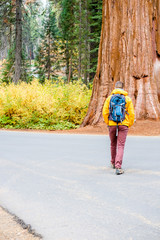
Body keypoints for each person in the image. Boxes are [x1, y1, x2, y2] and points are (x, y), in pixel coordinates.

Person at [102, 81, 135, 175]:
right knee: (120, 145)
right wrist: (129, 124)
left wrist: (108, 122)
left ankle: (112, 162)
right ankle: (118, 166)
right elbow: (131, 113)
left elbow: (105, 112)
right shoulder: (127, 98)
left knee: (113, 144)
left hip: (112, 123)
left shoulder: (109, 98)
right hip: (123, 123)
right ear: (123, 88)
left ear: (115, 87)